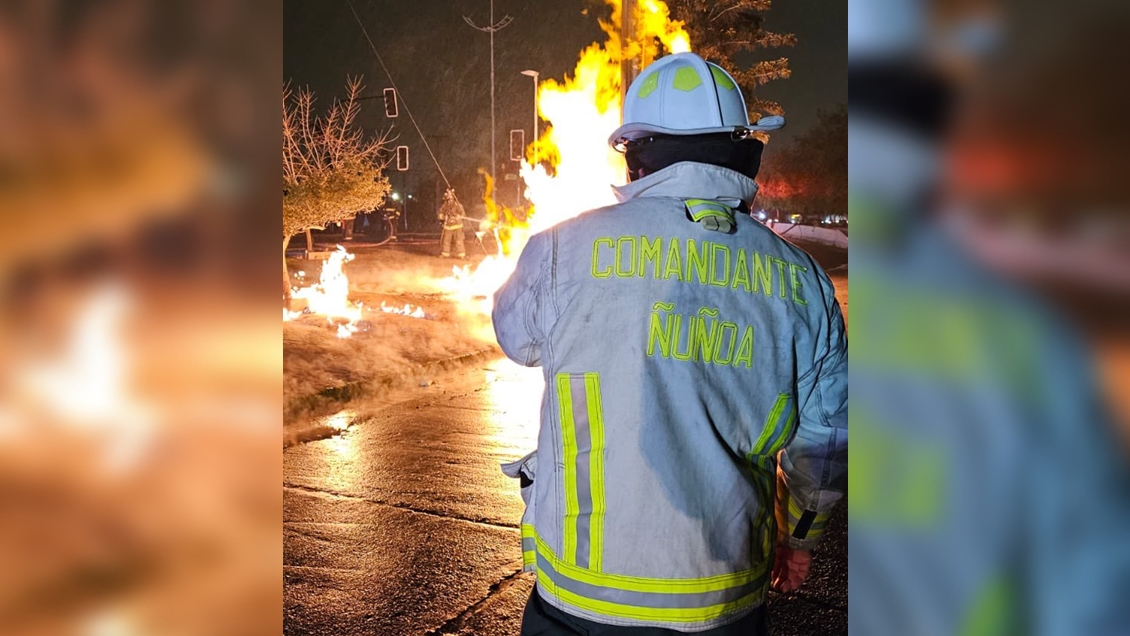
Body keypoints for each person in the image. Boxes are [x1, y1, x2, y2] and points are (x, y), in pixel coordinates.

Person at [492, 52, 847, 635]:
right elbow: (828, 439)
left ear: (635, 155)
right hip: (723, 595)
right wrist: (800, 537)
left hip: (582, 595)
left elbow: (515, 338)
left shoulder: (560, 249)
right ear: (743, 151)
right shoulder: (801, 279)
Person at [437, 188, 466, 258]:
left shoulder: (458, 205)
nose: (449, 197)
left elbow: (463, 214)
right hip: (448, 226)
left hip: (457, 226)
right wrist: (443, 217)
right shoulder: (444, 205)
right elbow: (440, 214)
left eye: (450, 195)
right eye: (448, 195)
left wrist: (459, 216)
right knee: (446, 240)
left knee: (459, 240)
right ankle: (445, 253)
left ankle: (461, 254)